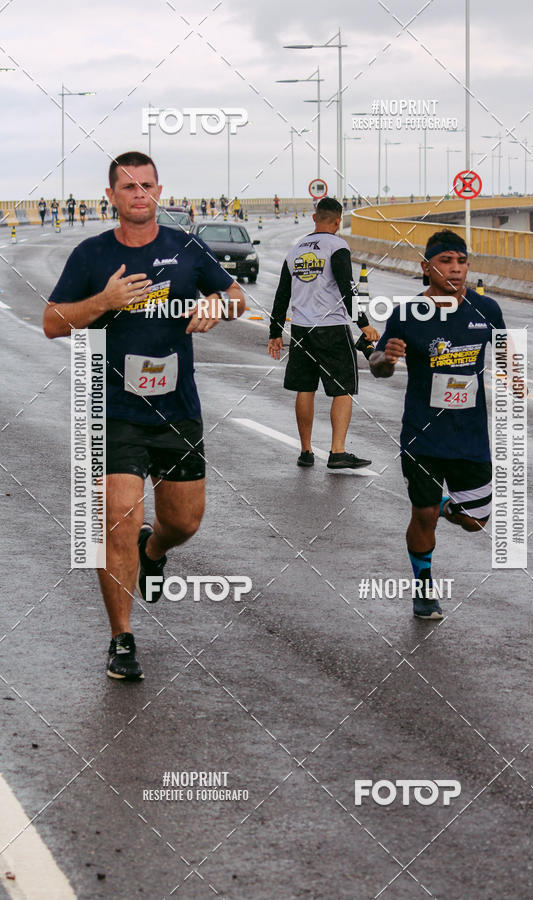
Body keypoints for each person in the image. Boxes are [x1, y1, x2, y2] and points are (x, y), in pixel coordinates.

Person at [43, 150, 245, 681]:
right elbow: (52, 322)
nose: (139, 195)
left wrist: (218, 306)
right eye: (128, 187)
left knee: (184, 520)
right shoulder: (91, 255)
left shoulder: (185, 248)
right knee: (117, 520)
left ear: (159, 190)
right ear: (110, 196)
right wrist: (104, 301)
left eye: (147, 185)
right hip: (114, 410)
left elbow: (237, 295)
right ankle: (122, 638)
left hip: (177, 408)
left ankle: (154, 549)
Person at [369, 229, 506, 619]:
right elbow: (377, 365)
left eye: (462, 261)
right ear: (426, 267)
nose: (456, 269)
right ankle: (424, 587)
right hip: (422, 434)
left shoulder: (487, 309)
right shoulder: (409, 314)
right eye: (446, 261)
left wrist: (517, 379)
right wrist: (385, 358)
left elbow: (507, 355)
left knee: (475, 522)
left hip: (471, 437)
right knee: (422, 513)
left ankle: (450, 507)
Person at [268, 197, 379, 470]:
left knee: (305, 388)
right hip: (331, 329)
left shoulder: (294, 251)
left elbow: (282, 295)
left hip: (302, 331)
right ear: (338, 222)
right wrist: (363, 324)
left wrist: (275, 332)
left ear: (314, 218)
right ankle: (337, 451)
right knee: (343, 389)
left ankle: (306, 451)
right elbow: (347, 287)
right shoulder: (337, 246)